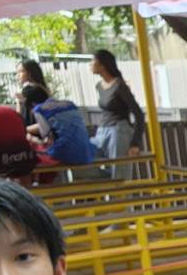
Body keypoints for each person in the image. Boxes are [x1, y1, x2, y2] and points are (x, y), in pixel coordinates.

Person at [90, 50, 145, 180]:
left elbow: (138, 114)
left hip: (119, 130)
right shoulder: (99, 86)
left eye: (92, 61)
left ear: (102, 65)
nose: (90, 64)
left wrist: (135, 143)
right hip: (102, 131)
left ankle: (120, 190)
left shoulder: (119, 86)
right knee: (88, 155)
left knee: (119, 174)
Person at [23, 85, 95, 169]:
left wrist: (33, 139)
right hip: (86, 151)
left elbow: (45, 134)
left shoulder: (38, 109)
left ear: (32, 103)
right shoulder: (69, 103)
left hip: (66, 152)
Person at [15, 58, 49, 129]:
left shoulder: (31, 89)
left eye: (21, 71)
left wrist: (18, 100)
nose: (17, 75)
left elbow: (18, 116)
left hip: (35, 129)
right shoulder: (41, 88)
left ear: (30, 73)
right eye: (17, 72)